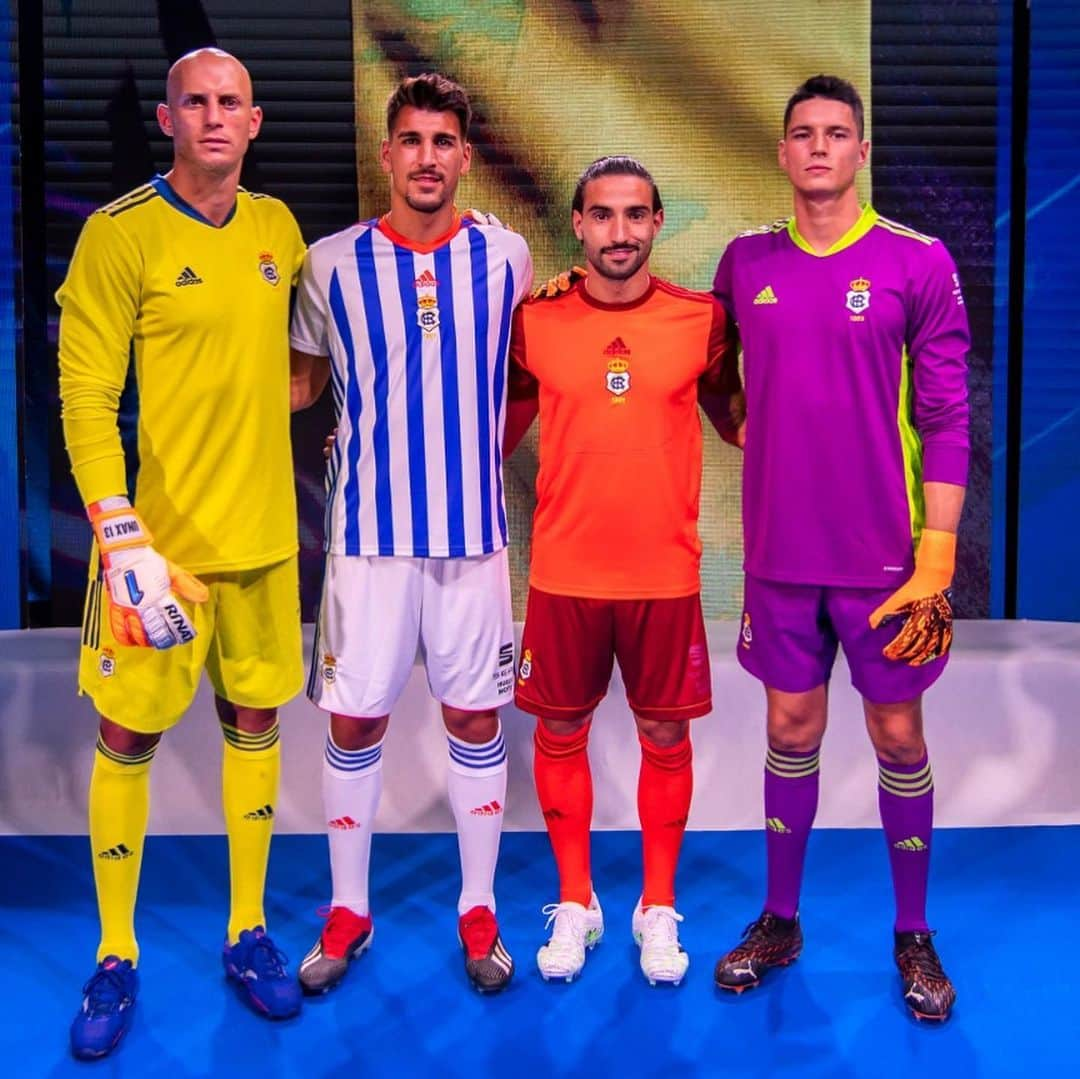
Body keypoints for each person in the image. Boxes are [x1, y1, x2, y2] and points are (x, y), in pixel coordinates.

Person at [56, 48, 307, 1058]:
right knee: (128, 737)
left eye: (230, 103)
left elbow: (289, 361)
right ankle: (116, 951)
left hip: (263, 544)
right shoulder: (118, 236)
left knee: (257, 718)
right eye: (195, 102)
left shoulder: (278, 229)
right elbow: (81, 393)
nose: (213, 117)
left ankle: (247, 930)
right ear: (166, 119)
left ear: (254, 120)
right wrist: (119, 532)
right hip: (152, 554)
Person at [710, 75, 970, 1021]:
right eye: (802, 134)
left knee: (897, 732)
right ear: (780, 154)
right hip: (781, 556)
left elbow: (946, 415)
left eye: (837, 134)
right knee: (790, 731)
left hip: (890, 563)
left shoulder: (919, 261)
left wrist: (937, 554)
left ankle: (913, 932)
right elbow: (712, 378)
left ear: (862, 153)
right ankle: (781, 918)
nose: (819, 147)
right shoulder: (744, 263)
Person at [288, 72, 532, 995]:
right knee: (356, 720)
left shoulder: (507, 256)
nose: (428, 158)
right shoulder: (330, 263)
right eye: (412, 141)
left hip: (472, 539)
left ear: (464, 157)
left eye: (444, 143)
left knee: (476, 716)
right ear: (386, 154)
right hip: (365, 540)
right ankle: (348, 910)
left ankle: (479, 907)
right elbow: (301, 386)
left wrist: (473, 453)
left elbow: (520, 379)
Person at [504, 156, 741, 986]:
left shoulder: (702, 321)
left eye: (636, 215)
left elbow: (747, 421)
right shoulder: (533, 323)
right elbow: (487, 436)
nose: (619, 232)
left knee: (666, 735)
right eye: (602, 215)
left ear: (657, 222)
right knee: (558, 733)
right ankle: (577, 901)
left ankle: (656, 906)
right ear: (577, 224)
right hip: (564, 574)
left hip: (664, 579)